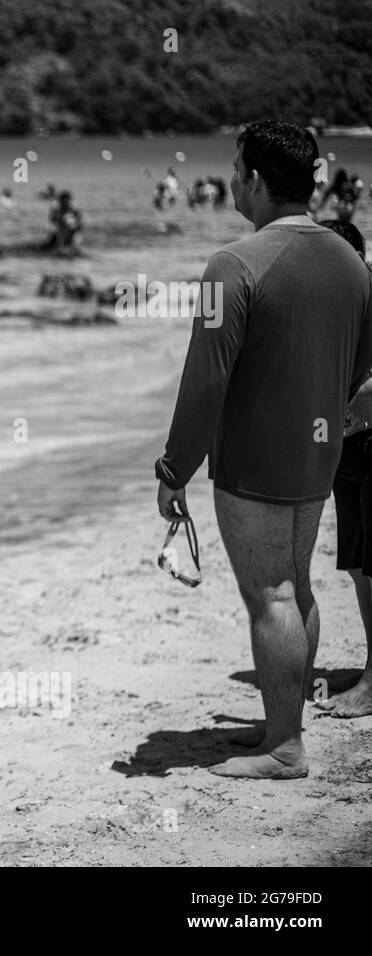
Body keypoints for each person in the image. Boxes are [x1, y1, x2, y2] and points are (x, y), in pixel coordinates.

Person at [155, 120, 372, 778]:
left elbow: (204, 381)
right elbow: (361, 371)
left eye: (234, 168)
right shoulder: (349, 259)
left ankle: (284, 747)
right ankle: (287, 721)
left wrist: (174, 470)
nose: (230, 180)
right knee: (296, 585)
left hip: (255, 464)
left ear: (254, 179)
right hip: (319, 457)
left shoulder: (231, 268)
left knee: (271, 595)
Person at [319, 218, 372, 719]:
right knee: (357, 564)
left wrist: (351, 412)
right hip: (343, 449)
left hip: (368, 441)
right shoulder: (328, 305)